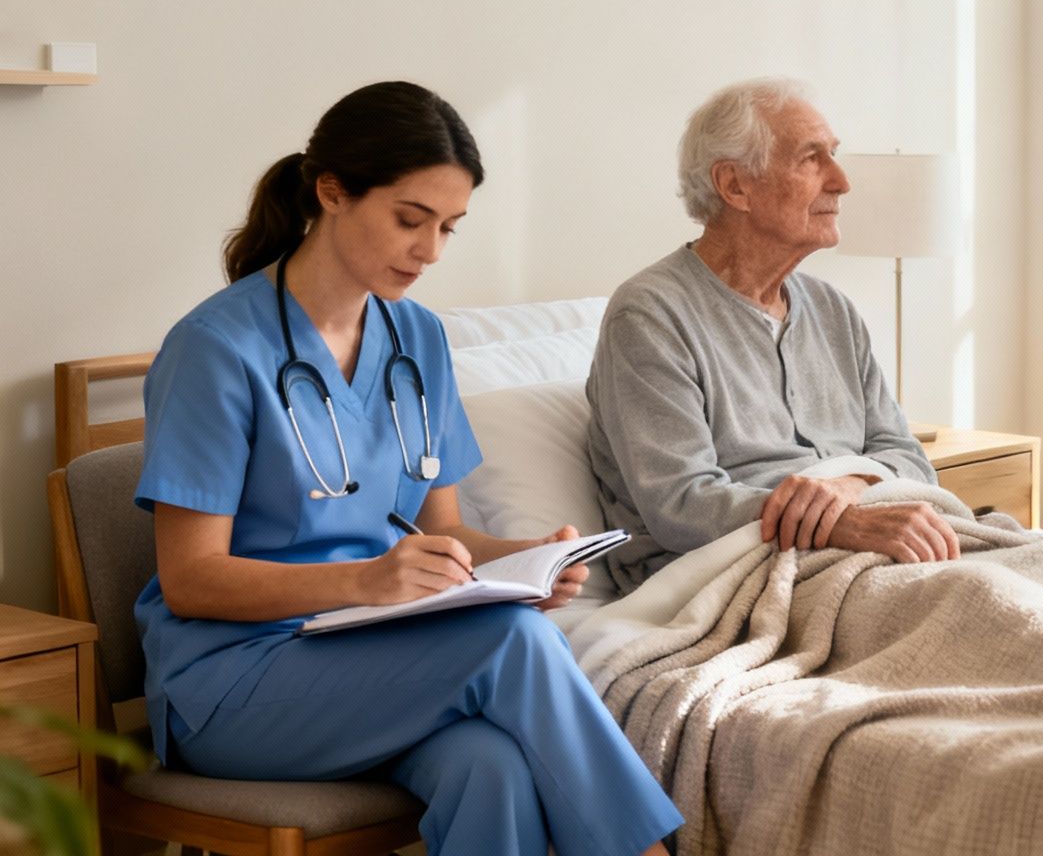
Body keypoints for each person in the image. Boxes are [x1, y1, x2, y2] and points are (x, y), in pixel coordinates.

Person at [134, 82, 681, 856]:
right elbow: (191, 579)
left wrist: (530, 561)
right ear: (332, 192)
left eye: (449, 228)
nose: (429, 252)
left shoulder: (418, 338)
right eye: (409, 220)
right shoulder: (215, 350)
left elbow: (444, 536)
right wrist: (365, 579)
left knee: (491, 767)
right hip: (233, 687)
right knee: (512, 643)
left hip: (370, 659)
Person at [586, 76, 958, 588]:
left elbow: (909, 457)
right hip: (742, 570)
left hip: (864, 543)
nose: (842, 181)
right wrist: (842, 523)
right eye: (811, 158)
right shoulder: (651, 316)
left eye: (834, 154)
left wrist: (850, 488)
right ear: (735, 185)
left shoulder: (833, 311)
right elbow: (681, 504)